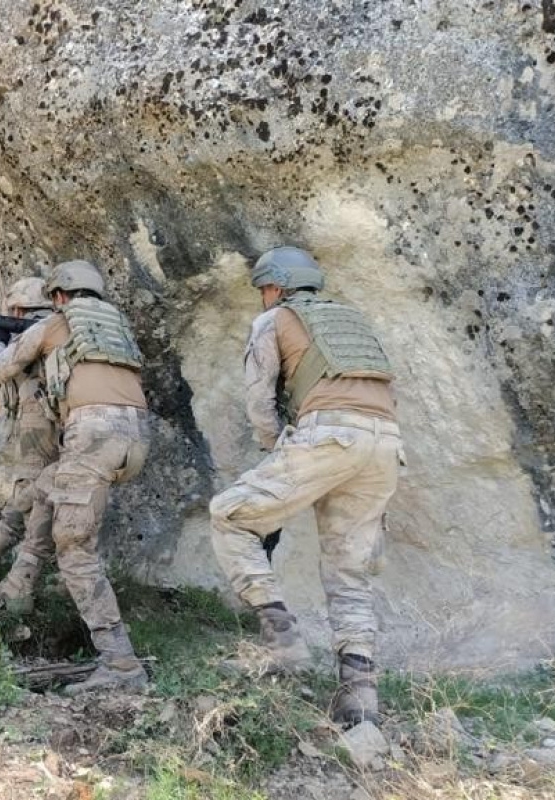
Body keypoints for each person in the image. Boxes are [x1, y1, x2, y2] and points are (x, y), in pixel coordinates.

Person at [208, 246, 402, 728]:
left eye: (263, 290)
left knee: (230, 516)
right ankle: (359, 699)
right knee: (348, 572)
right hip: (386, 445)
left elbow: (258, 402)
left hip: (328, 435)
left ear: (276, 287)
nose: (262, 299)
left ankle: (283, 642)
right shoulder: (353, 323)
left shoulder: (274, 320)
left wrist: (277, 449)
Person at [0, 259, 151, 694]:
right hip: (135, 435)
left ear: (58, 296)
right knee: (47, 487)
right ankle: (19, 582)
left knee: (74, 549)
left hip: (92, 433)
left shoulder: (57, 323)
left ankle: (121, 665)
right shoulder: (115, 324)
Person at [0, 278, 59, 580]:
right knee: (43, 492)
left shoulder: (35, 331)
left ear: (18, 310)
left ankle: (22, 580)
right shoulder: (61, 326)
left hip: (37, 419)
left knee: (29, 493)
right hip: (71, 420)